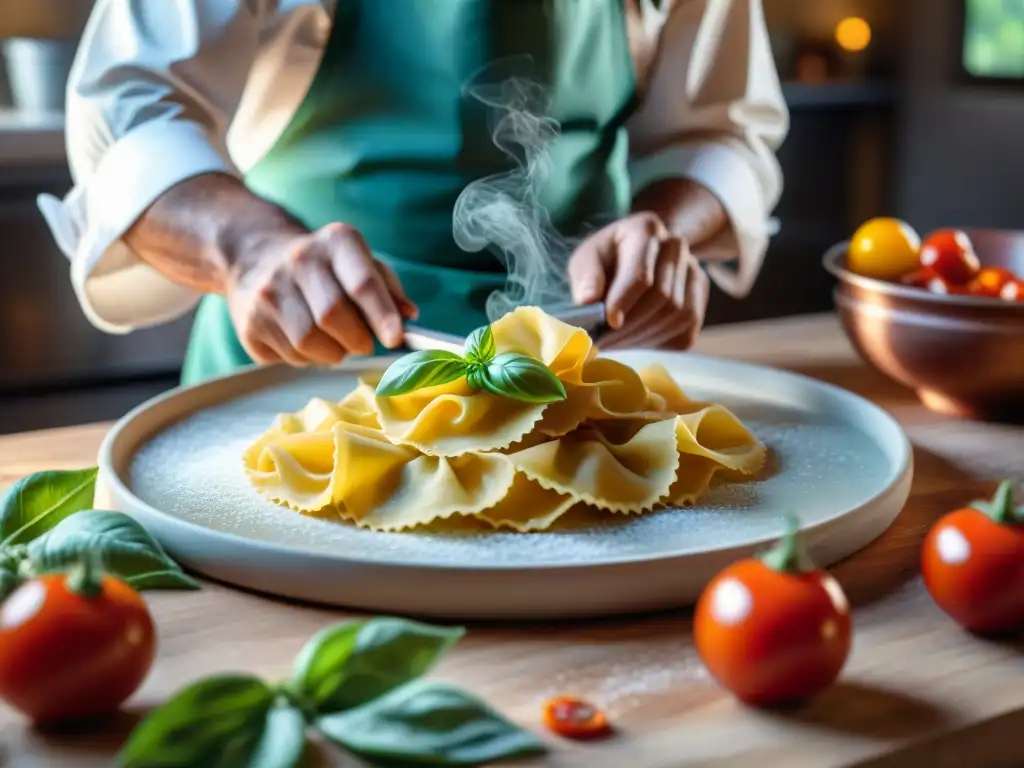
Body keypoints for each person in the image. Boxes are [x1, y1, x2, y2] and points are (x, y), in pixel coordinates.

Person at [38, 0, 788, 386]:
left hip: (592, 374)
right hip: (301, 377)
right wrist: (251, 248)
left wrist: (664, 232)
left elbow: (721, 133)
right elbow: (128, 116)